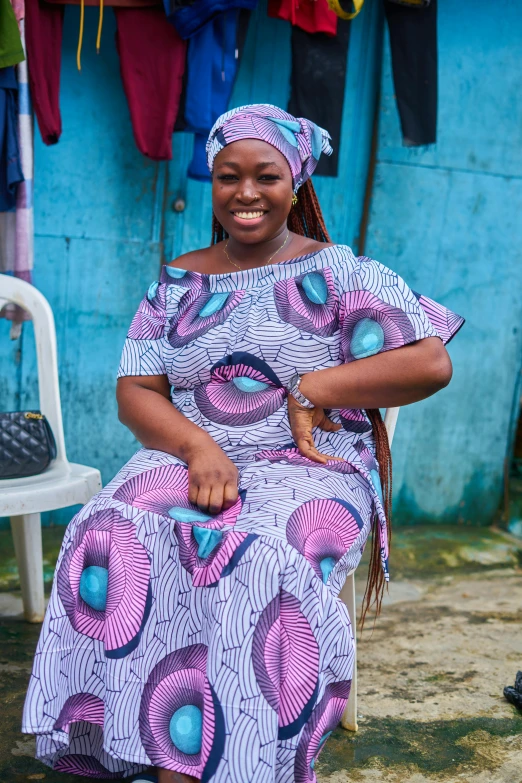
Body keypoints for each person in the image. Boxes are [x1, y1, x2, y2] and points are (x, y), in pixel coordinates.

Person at [22, 104, 463, 783]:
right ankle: (141, 734)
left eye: (265, 176)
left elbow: (430, 361)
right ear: (213, 182)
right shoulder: (176, 282)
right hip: (191, 449)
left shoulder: (341, 272)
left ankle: (222, 758)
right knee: (111, 525)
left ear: (296, 182)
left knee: (254, 548)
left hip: (311, 464)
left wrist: (316, 384)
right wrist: (199, 448)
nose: (246, 193)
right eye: (229, 176)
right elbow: (136, 390)